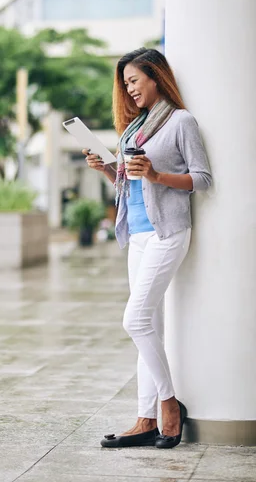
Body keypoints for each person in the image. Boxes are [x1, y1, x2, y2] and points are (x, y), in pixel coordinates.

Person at [83, 48, 212, 449]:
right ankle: (145, 419)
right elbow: (130, 185)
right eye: (125, 84)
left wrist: (157, 174)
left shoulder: (180, 122)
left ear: (156, 77)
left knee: (134, 321)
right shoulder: (134, 129)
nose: (130, 89)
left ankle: (169, 404)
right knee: (148, 327)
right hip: (136, 235)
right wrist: (108, 169)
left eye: (134, 81)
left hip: (167, 232)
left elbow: (202, 178)